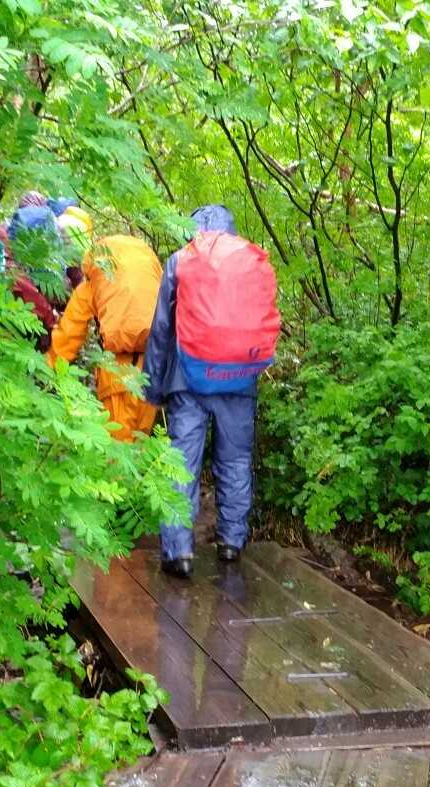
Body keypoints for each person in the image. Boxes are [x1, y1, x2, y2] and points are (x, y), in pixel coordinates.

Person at [143, 204, 281, 578]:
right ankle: (232, 542)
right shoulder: (250, 262)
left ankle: (179, 552)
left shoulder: (180, 260)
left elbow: (161, 329)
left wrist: (152, 386)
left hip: (187, 379)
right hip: (240, 377)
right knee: (235, 460)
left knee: (182, 462)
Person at [47, 217, 163, 441]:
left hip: (117, 373)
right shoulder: (152, 270)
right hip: (154, 368)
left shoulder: (94, 281)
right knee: (142, 445)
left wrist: (49, 370)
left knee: (118, 448)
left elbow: (70, 333)